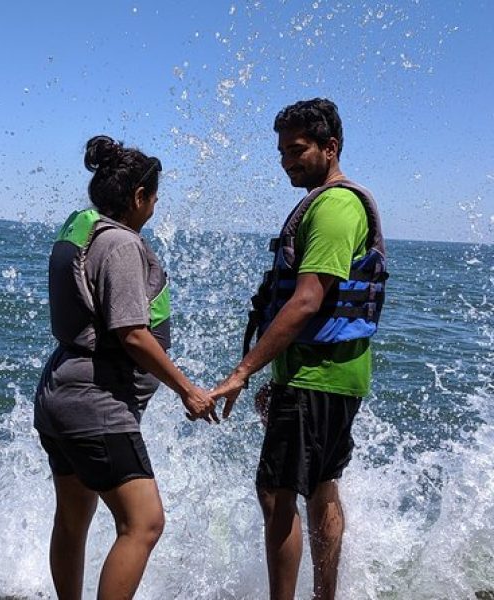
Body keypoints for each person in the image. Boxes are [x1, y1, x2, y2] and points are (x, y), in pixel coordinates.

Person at [211, 98, 388, 600]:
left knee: (276, 492)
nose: (287, 160)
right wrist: (277, 377)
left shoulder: (333, 208)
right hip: (329, 378)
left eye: (298, 149)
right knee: (322, 488)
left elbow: (308, 299)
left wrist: (243, 371)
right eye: (282, 151)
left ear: (330, 148)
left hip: (316, 380)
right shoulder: (335, 203)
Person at [34, 135, 217, 600]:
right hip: (95, 404)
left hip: (60, 393)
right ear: (139, 197)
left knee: (73, 519)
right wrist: (188, 390)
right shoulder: (120, 245)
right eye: (154, 197)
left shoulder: (85, 232)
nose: (155, 206)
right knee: (144, 522)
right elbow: (132, 332)